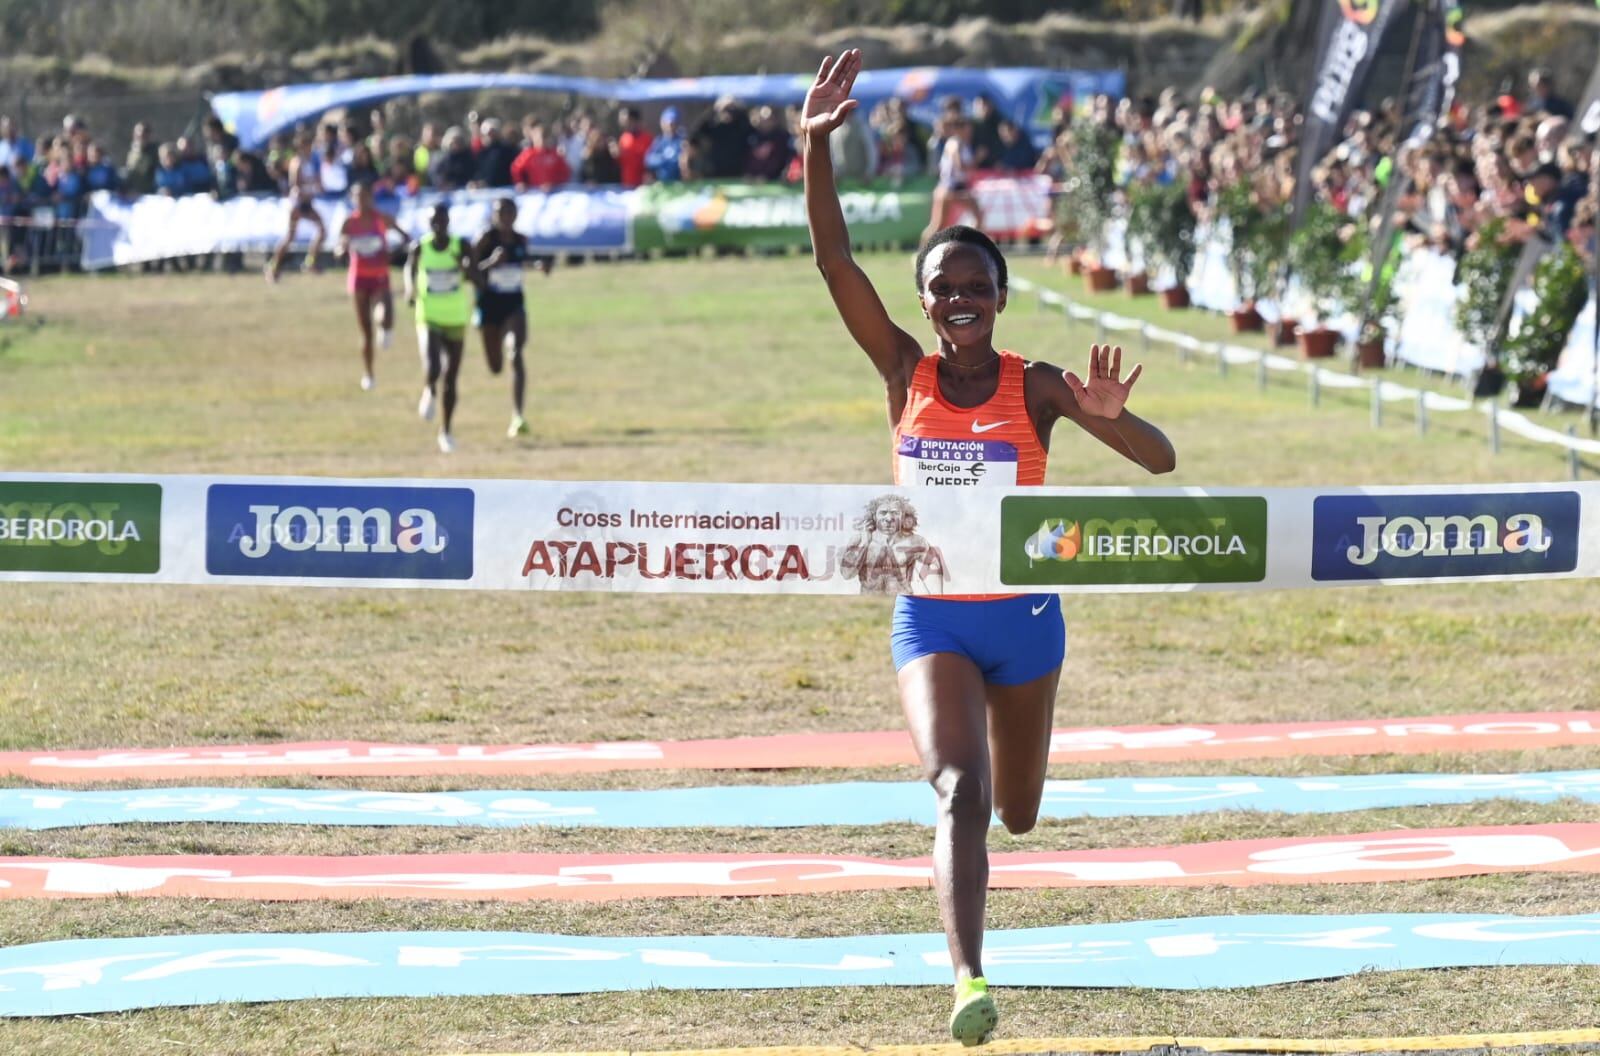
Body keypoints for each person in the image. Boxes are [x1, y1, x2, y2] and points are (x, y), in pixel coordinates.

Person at [801, 50, 1176, 1046]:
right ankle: (968, 978)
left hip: (1027, 628)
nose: (957, 299)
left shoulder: (1036, 383)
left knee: (1015, 812)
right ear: (923, 301)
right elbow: (836, 263)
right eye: (940, 287)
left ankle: (995, 858)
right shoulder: (902, 370)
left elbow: (1160, 460)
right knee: (957, 793)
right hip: (930, 619)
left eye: (974, 285)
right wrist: (815, 149)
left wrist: (1110, 418)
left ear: (999, 297)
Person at [473, 197, 548, 438]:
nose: (505, 217)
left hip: (514, 304)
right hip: (489, 305)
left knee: (516, 353)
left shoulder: (520, 239)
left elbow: (522, 260)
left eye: (509, 212)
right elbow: (469, 268)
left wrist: (538, 265)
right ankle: (515, 412)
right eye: (500, 213)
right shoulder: (486, 238)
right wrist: (490, 263)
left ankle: (518, 416)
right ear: (494, 215)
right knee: (496, 367)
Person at [406, 203, 475, 453]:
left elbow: (476, 277)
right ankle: (428, 389)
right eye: (434, 221)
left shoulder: (461, 245)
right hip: (428, 314)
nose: (438, 226)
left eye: (442, 221)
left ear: (449, 221)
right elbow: (409, 267)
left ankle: (446, 430)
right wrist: (409, 288)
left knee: (452, 377)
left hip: (456, 316)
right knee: (434, 365)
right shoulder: (421, 247)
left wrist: (465, 266)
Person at [337, 182, 404, 391]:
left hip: (380, 276)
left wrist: (393, 253)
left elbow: (405, 237)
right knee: (365, 332)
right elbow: (339, 246)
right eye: (358, 198)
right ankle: (369, 374)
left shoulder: (381, 218)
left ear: (371, 198)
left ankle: (385, 326)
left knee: (384, 314)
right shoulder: (349, 223)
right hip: (359, 278)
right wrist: (342, 249)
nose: (362, 201)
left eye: (365, 197)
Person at [923, 116, 983, 244]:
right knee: (977, 216)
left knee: (938, 224)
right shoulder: (956, 143)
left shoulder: (957, 143)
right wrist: (977, 159)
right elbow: (960, 166)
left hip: (948, 186)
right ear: (959, 129)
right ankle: (969, 245)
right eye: (967, 128)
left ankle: (921, 251)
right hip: (953, 188)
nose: (969, 131)